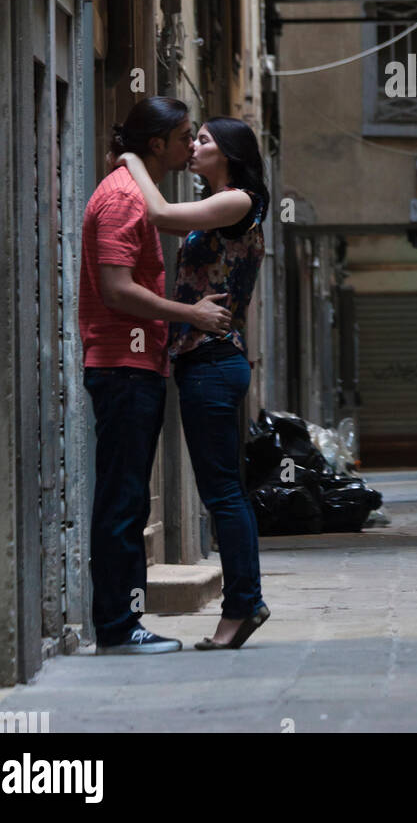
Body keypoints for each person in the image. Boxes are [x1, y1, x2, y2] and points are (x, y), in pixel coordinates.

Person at [79, 97, 232, 654]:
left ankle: (123, 623)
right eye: (185, 137)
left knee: (127, 501)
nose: (191, 146)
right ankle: (119, 628)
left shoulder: (130, 188)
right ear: (157, 145)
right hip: (122, 365)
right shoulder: (122, 198)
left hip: (133, 364)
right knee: (122, 501)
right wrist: (190, 313)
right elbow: (117, 289)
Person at [117, 116, 270, 650]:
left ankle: (244, 604)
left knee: (224, 492)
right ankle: (245, 602)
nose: (194, 146)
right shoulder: (220, 206)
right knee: (223, 490)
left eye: (203, 140)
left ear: (228, 152)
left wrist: (132, 158)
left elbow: (159, 214)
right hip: (202, 360)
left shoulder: (237, 201)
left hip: (212, 360)